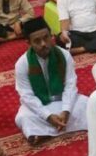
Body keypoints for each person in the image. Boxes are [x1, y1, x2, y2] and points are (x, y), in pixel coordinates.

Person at [14, 17, 89, 145]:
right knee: (23, 117)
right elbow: (26, 95)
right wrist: (47, 116)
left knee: (89, 104)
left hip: (63, 100)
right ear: (29, 43)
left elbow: (70, 85)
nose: (43, 43)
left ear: (51, 35)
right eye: (37, 41)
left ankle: (45, 132)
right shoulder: (22, 63)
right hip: (40, 104)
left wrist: (66, 111)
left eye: (46, 38)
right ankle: (50, 128)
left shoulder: (64, 55)